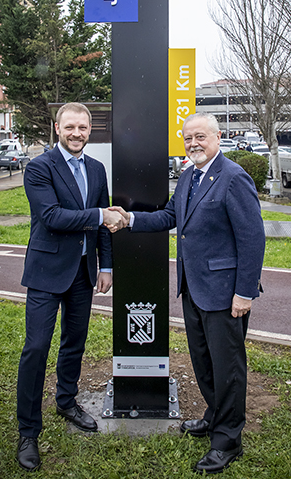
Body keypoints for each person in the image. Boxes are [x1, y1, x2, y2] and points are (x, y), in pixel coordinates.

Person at [110, 113, 265, 474]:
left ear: (217, 137)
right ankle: (214, 415)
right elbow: (169, 216)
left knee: (228, 368)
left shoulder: (233, 177)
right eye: (188, 138)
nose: (193, 144)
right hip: (193, 288)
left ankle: (227, 441)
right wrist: (130, 219)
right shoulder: (188, 176)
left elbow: (252, 238)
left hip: (224, 294)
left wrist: (244, 293)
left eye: (200, 137)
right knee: (204, 362)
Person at [16, 102, 125, 471]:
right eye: (70, 127)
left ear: (89, 130)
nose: (76, 133)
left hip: (83, 273)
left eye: (83, 127)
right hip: (46, 272)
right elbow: (51, 216)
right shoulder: (39, 167)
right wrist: (100, 214)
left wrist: (105, 265)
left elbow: (102, 227)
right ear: (57, 128)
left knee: (74, 343)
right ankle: (28, 431)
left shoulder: (96, 169)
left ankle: (66, 401)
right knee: (36, 349)